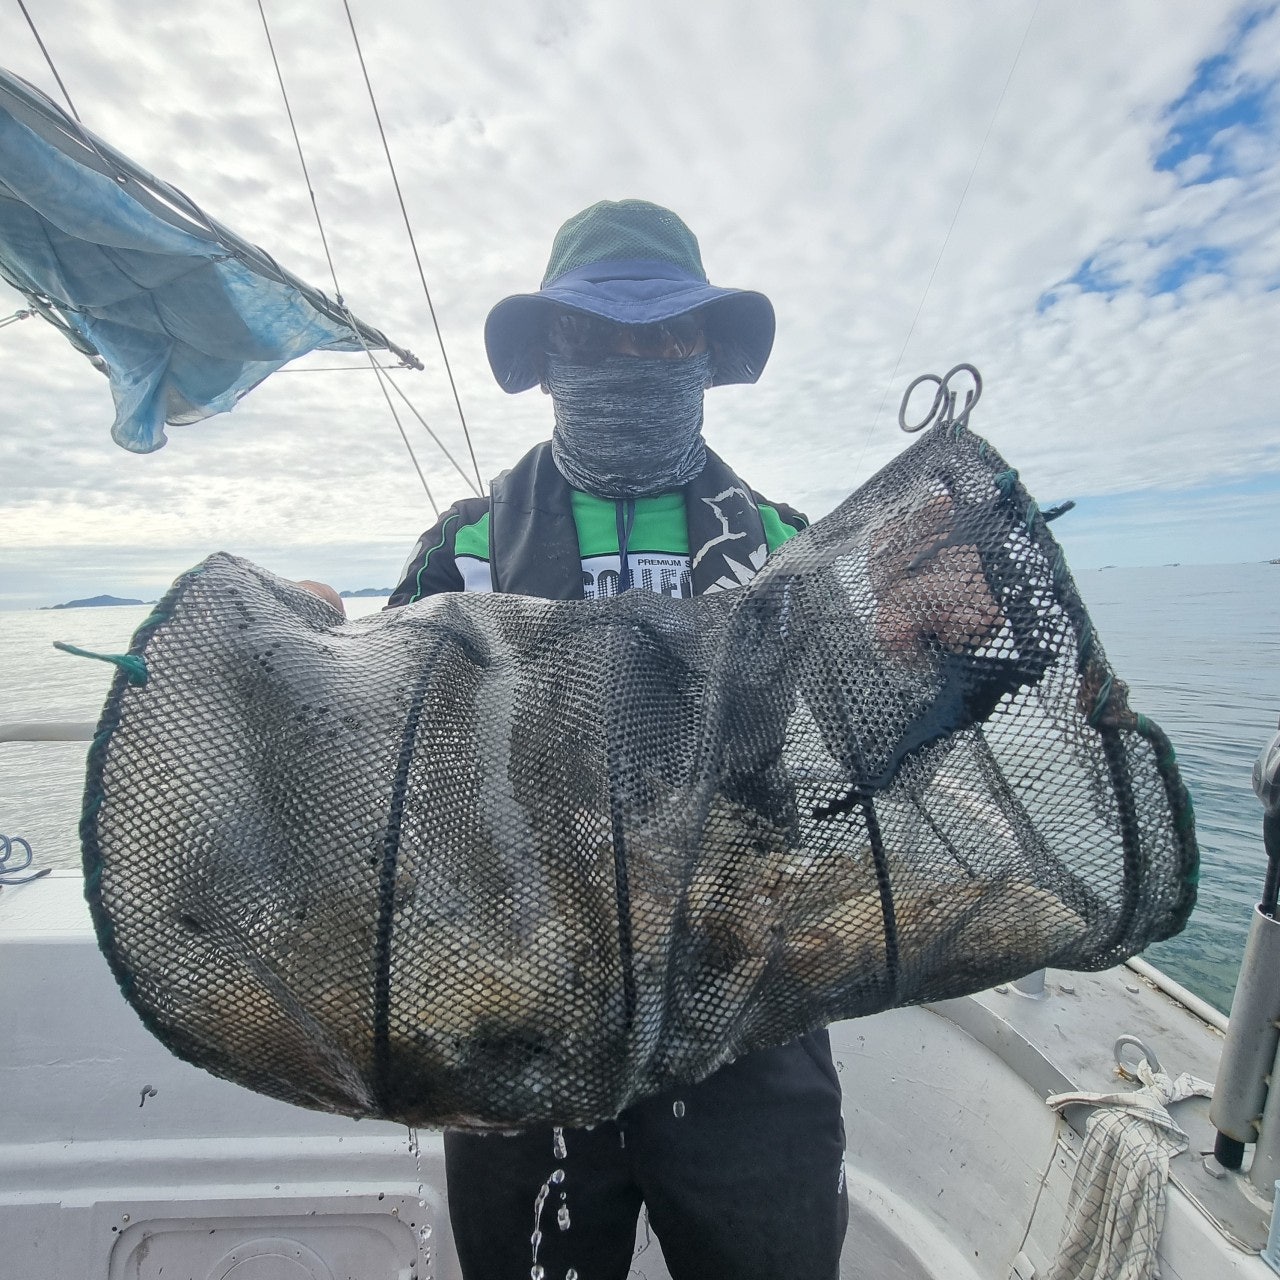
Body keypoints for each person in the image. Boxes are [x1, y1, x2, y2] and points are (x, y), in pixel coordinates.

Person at [387, 199, 849, 1279]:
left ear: (702, 354)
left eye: (663, 335)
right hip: (519, 998)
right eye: (592, 334)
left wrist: (944, 643)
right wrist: (301, 644)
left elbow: (865, 717)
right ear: (548, 359)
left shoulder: (786, 544)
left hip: (743, 993)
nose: (629, 358)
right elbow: (389, 730)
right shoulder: (462, 549)